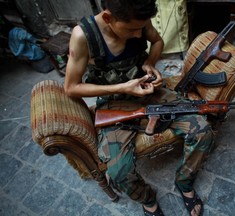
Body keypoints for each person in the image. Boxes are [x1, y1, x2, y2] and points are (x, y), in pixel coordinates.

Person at [64, 0, 213, 215]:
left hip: (149, 90)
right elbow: (71, 87)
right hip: (115, 101)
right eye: (132, 29)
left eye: (141, 28)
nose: (137, 35)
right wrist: (123, 87)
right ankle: (148, 200)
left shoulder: (138, 19)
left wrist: (150, 64)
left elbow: (158, 41)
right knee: (118, 172)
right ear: (108, 18)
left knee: (203, 132)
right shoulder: (83, 36)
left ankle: (184, 181)